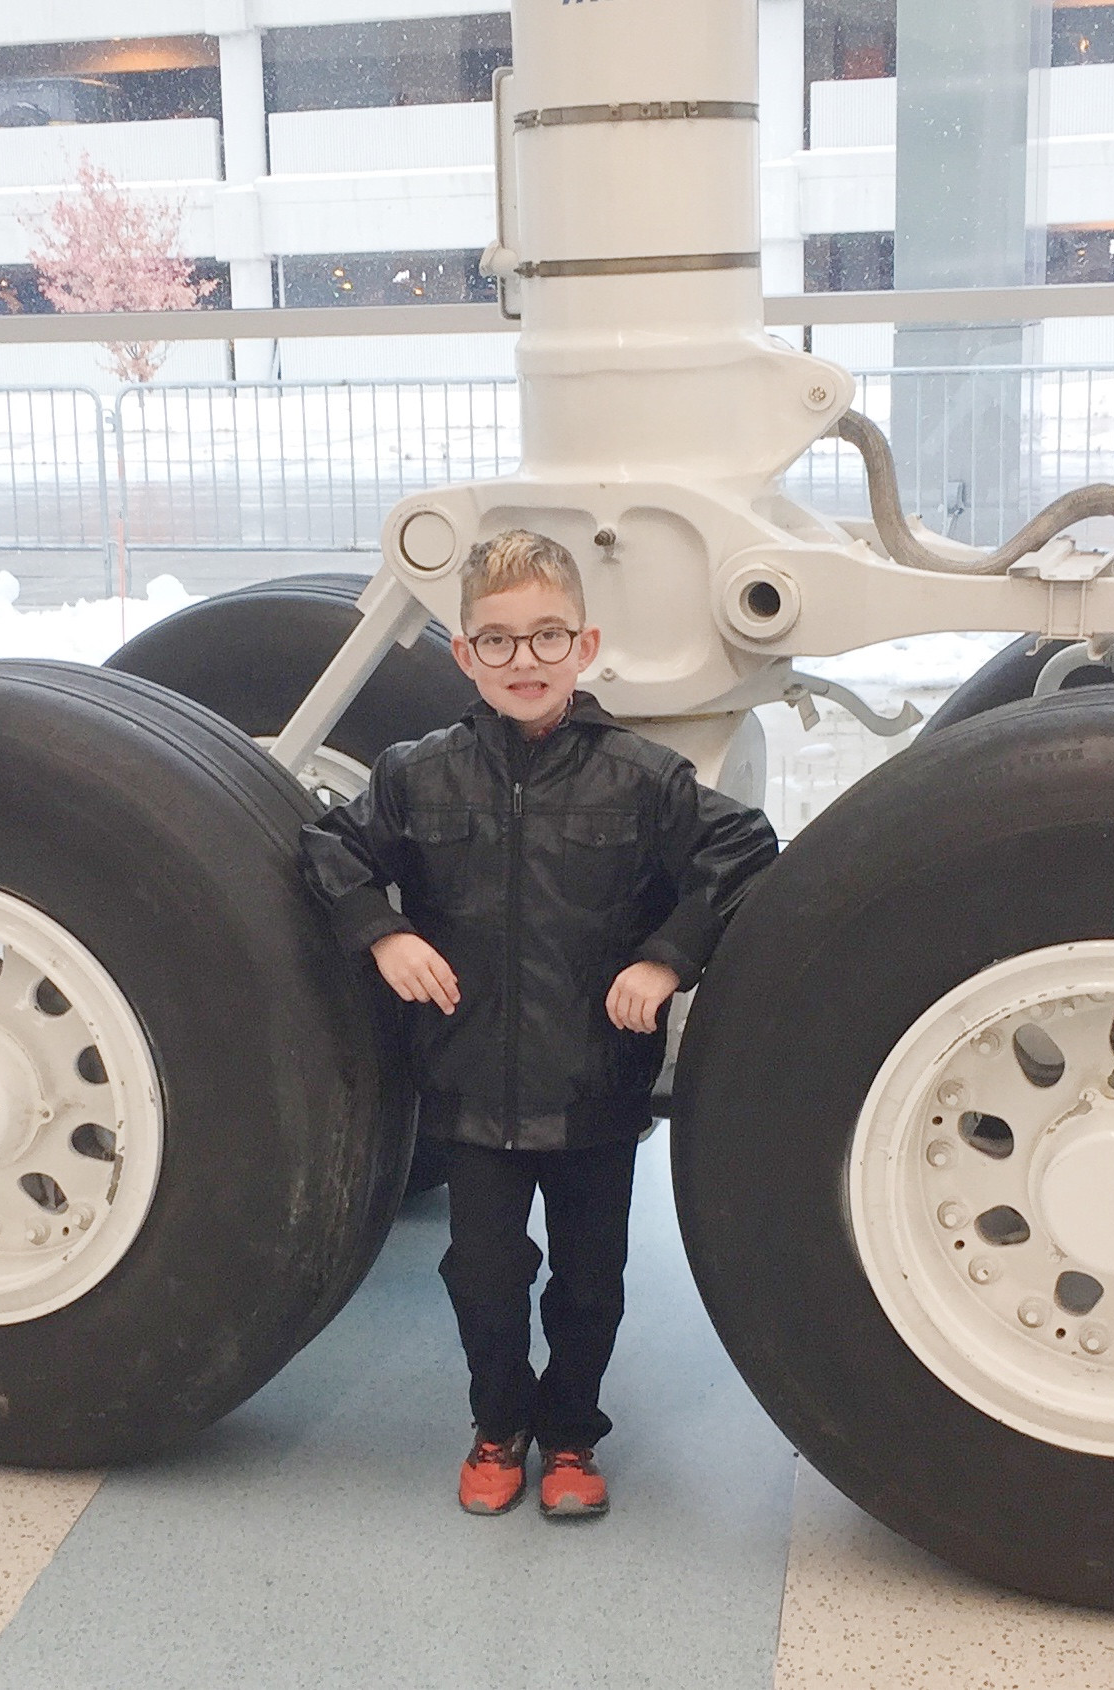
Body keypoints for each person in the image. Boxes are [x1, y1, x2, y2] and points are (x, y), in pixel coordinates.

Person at [298, 528, 779, 1519]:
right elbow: (326, 845)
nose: (526, 660)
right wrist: (381, 933)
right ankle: (496, 1426)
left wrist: (666, 956)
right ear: (466, 654)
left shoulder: (642, 779)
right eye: (500, 641)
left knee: (590, 1281)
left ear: (585, 645)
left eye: (547, 636)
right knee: (482, 1275)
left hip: (594, 1088)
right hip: (470, 1090)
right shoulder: (413, 775)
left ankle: (570, 1437)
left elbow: (743, 844)